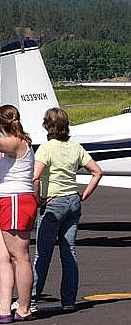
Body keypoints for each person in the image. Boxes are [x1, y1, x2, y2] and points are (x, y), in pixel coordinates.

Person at [32, 107, 103, 313]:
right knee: (68, 251)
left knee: (43, 255)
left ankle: (33, 300)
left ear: (48, 125)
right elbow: (97, 172)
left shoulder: (46, 148)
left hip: (53, 202)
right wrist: (84, 195)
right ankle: (69, 301)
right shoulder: (75, 147)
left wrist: (38, 200)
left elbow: (35, 177)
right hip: (73, 201)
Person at [0, 105, 37, 323]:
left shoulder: (15, 142)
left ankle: (23, 308)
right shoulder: (13, 143)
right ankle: (4, 309)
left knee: (19, 256)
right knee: (1, 255)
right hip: (8, 200)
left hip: (17, 201)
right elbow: (0, 164)